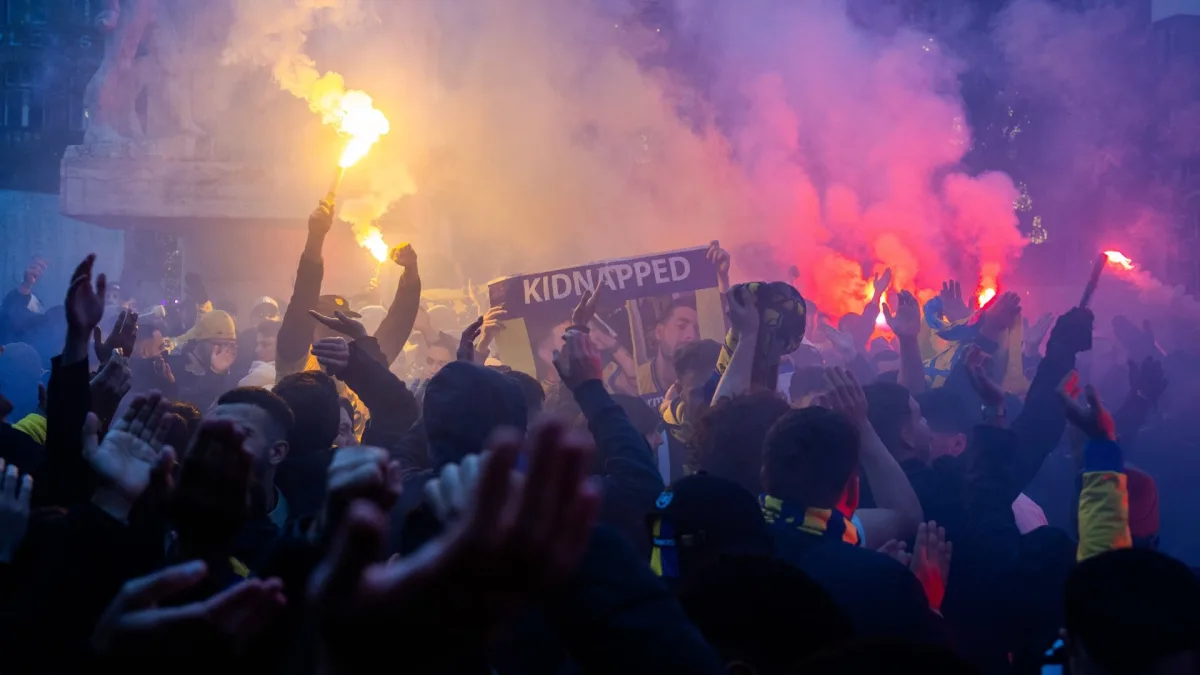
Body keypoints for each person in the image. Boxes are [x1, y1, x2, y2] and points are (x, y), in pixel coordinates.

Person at [761, 406, 942, 643]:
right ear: (853, 493)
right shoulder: (874, 578)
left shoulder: (727, 536)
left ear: (763, 476)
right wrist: (924, 602)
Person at [638, 298, 700, 397]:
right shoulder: (638, 380)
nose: (692, 336)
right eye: (681, 326)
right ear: (659, 332)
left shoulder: (704, 378)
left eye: (696, 330)